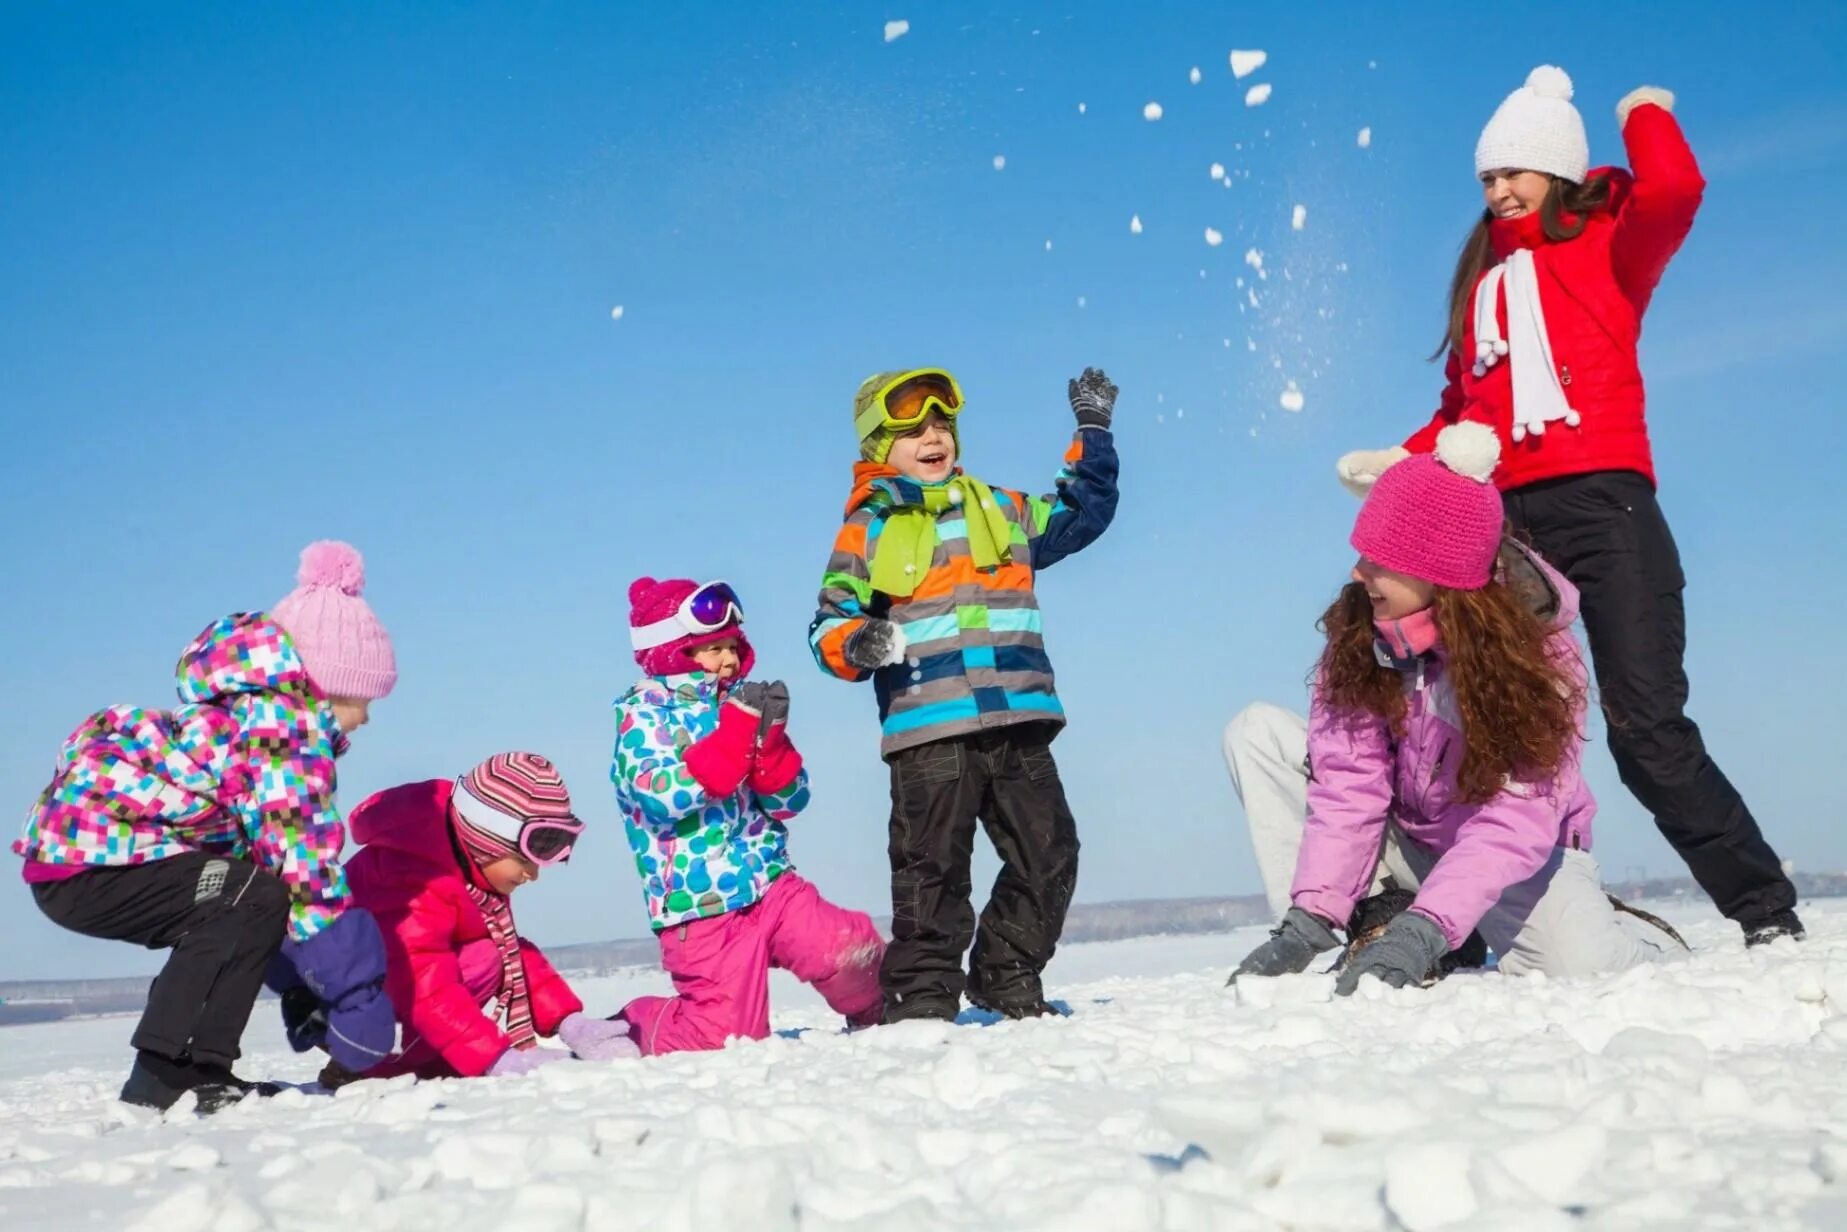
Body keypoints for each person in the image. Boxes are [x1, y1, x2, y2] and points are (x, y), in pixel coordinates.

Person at [1333, 66, 1801, 944]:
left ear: (1555, 172)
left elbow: (1676, 186)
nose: (1499, 190)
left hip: (1607, 512)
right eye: (1486, 177)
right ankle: (1456, 902)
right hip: (1505, 528)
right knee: (1476, 717)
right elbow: (1461, 411)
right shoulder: (1481, 291)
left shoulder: (1610, 247)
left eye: (1514, 171)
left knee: (1644, 728)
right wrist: (1400, 456)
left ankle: (1763, 910)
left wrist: (1643, 115)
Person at [1228, 425, 1680, 993]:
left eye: (1378, 559)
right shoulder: (1364, 636)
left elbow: (1518, 820)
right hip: (1415, 843)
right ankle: (1376, 916)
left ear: (1438, 572)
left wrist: (1427, 928)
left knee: (1580, 967)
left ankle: (1620, 934)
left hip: (1518, 858)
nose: (1357, 572)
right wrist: (1310, 920)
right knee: (1258, 733)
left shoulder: (1538, 658)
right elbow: (1349, 784)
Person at [15, 541, 397, 1111]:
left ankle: (202, 1070)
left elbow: (273, 886)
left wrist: (300, 986)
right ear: (322, 683)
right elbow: (307, 868)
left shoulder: (251, 721)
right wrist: (356, 998)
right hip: (92, 868)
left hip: (89, 866)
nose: (366, 716)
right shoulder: (282, 732)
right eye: (361, 697)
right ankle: (167, 1073)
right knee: (249, 892)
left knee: (250, 893)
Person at [809, 367, 1120, 1021]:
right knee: (931, 874)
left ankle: (1006, 973)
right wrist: (857, 641)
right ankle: (921, 1002)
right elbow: (827, 627)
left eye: (941, 422)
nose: (933, 435)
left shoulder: (1001, 509)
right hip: (930, 731)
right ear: (876, 447)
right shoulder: (867, 531)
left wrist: (1091, 432)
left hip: (1018, 719)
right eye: (912, 427)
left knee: (1050, 853)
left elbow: (1079, 513)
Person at [612, 577, 884, 1054]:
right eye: (712, 648)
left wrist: (772, 756)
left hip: (770, 881)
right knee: (725, 1036)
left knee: (847, 949)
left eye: (733, 647)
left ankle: (883, 1012)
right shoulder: (644, 719)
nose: (729, 660)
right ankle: (634, 1027)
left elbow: (792, 802)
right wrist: (733, 742)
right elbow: (664, 796)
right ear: (673, 653)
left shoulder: (738, 708)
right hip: (700, 906)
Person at [328, 752, 636, 1084]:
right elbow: (423, 982)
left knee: (489, 951)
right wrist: (495, 1058)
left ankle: (432, 1060)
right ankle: (375, 1067)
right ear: (487, 841)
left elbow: (512, 956)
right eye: (525, 860)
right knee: (482, 958)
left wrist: (571, 1023)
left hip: (385, 992)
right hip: (349, 1004)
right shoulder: (413, 880)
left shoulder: (469, 869)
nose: (533, 874)